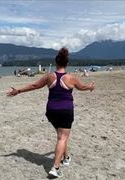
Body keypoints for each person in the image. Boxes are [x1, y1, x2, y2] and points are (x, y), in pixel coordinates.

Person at [6, 47, 95, 178]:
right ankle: (55, 167)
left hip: (51, 111)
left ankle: (66, 157)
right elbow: (82, 87)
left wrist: (18, 91)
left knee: (61, 136)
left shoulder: (49, 77)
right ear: (67, 63)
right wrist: (90, 87)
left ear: (56, 62)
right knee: (62, 137)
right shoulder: (71, 78)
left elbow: (34, 86)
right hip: (65, 110)